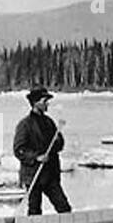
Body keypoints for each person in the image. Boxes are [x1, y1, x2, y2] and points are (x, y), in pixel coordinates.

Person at [13, 86, 70, 215]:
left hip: (50, 174)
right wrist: (36, 157)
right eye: (44, 101)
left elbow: (59, 145)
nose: (47, 104)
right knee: (34, 211)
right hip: (33, 175)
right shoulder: (25, 125)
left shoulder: (49, 122)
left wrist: (58, 141)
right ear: (35, 102)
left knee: (64, 207)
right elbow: (19, 150)